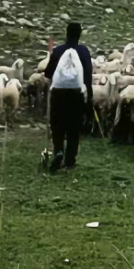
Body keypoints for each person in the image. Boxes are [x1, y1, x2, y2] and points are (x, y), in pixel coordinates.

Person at [45, 21, 92, 173]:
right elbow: (88, 76)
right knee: (73, 126)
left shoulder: (58, 51)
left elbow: (48, 73)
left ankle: (58, 151)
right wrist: (89, 98)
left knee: (57, 124)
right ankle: (70, 160)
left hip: (58, 93)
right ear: (79, 35)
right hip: (76, 94)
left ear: (66, 33)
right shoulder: (83, 51)